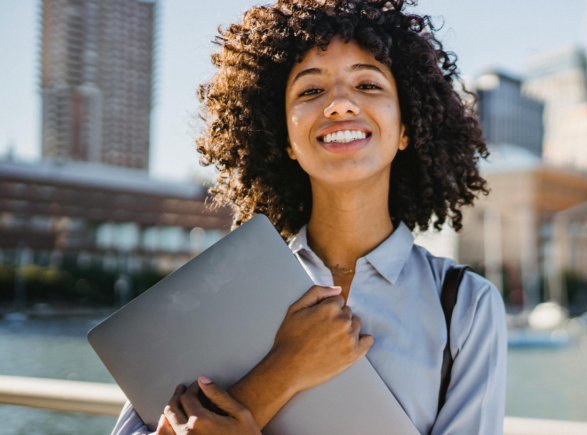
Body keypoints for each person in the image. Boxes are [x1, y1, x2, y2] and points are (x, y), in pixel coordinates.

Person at [110, 0, 506, 434]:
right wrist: (284, 369)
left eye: (369, 85)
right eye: (311, 91)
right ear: (286, 141)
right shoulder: (217, 291)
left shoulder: (466, 306)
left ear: (407, 128)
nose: (339, 105)